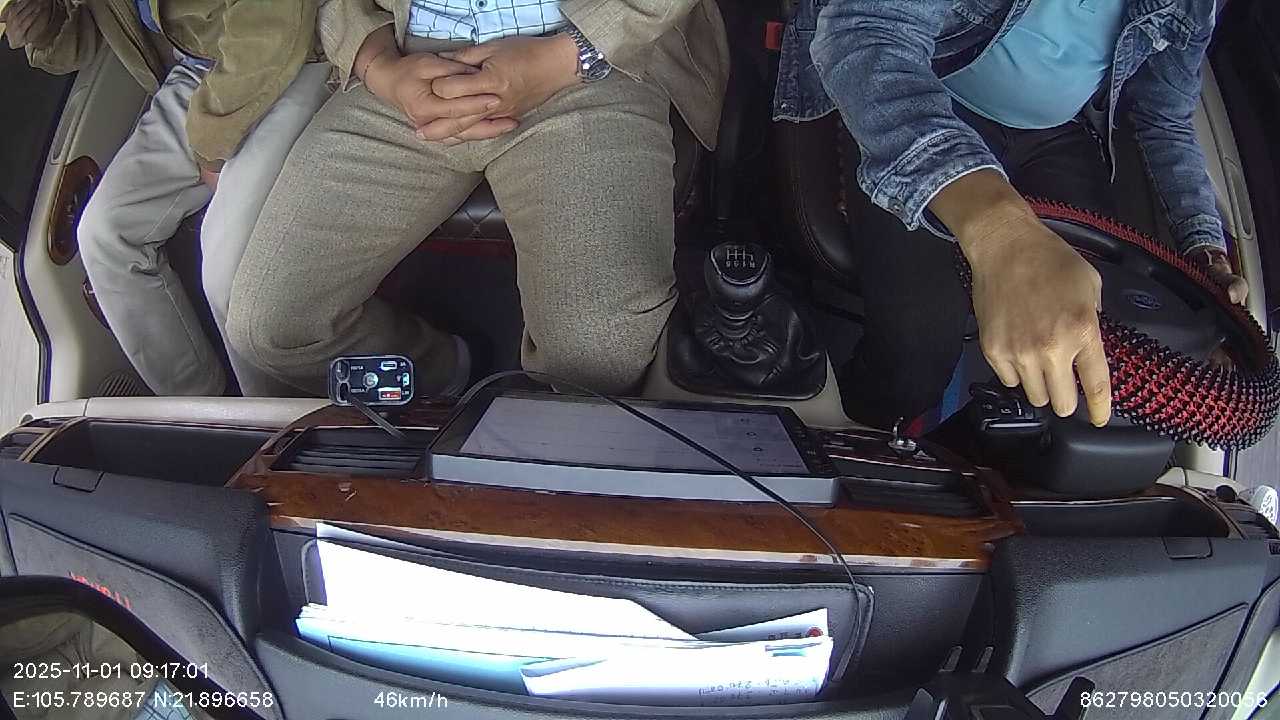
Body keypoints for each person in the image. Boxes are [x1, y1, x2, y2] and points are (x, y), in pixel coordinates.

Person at [773, 0, 1250, 430]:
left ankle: (985, 461)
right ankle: (852, 435)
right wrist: (1001, 230)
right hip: (931, 93)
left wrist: (1204, 248)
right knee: (916, 356)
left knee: (1101, 348)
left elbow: (1165, 118)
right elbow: (868, 31)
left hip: (1056, 135)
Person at [223, 0, 729, 398]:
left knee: (598, 357)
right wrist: (380, 67)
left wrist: (567, 55)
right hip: (409, 66)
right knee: (274, 330)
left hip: (591, 59)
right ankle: (447, 375)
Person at [1, 0, 332, 396]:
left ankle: (276, 415)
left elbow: (273, 21)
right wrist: (45, 29)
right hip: (198, 70)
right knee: (105, 232)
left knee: (227, 271)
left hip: (288, 53)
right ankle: (201, 405)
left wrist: (211, 142)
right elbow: (94, 30)